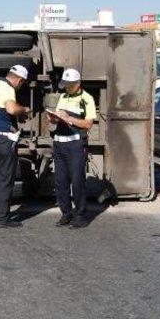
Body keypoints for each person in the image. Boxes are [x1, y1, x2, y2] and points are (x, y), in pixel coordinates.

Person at [47, 68, 96, 229]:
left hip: (75, 145)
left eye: (70, 85)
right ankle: (66, 213)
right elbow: (58, 120)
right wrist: (53, 118)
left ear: (78, 83)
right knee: (60, 182)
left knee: (77, 182)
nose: (67, 87)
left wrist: (71, 119)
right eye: (65, 84)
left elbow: (88, 124)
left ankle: (80, 215)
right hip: (60, 143)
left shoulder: (86, 99)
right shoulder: (63, 97)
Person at [0, 65, 30, 229]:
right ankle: (3, 219)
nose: (21, 86)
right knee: (6, 179)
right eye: (22, 83)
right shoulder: (8, 88)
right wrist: (24, 109)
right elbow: (11, 108)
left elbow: (2, 112)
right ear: (19, 80)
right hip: (5, 141)